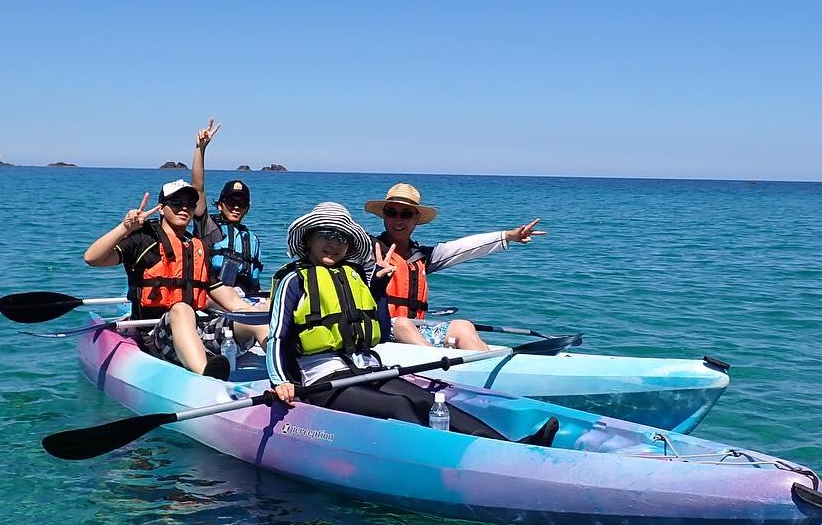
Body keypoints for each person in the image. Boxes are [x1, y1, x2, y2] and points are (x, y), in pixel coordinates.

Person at [264, 202, 558, 445]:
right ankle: (443, 457)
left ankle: (506, 447)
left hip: (366, 371)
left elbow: (375, 329)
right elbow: (277, 335)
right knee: (400, 405)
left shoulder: (354, 276)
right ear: (309, 239)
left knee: (430, 401)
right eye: (326, 234)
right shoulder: (294, 280)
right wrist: (280, 381)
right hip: (323, 380)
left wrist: (378, 288)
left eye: (341, 237)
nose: (333, 243)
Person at [83, 177, 267, 379]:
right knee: (181, 308)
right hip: (156, 336)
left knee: (252, 316)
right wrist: (125, 228)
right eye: (176, 203)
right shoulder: (143, 240)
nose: (184, 209)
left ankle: (285, 370)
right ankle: (207, 375)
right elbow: (92, 258)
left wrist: (257, 314)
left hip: (195, 331)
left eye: (189, 204)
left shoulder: (195, 247)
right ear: (161, 208)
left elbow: (230, 300)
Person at [363, 182, 545, 350]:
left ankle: (488, 373)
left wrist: (507, 236)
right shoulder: (368, 250)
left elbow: (461, 248)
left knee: (463, 326)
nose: (398, 220)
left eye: (406, 214)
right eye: (392, 213)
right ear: (384, 216)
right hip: (381, 332)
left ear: (416, 218)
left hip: (415, 331)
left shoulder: (422, 256)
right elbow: (343, 235)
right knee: (403, 323)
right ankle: (434, 366)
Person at [189, 119, 264, 294]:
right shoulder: (208, 228)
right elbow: (197, 188)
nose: (236, 207)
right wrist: (200, 149)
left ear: (247, 208)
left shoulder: (250, 238)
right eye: (231, 203)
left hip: (246, 300)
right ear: (221, 205)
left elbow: (255, 282)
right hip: (212, 298)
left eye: (242, 204)